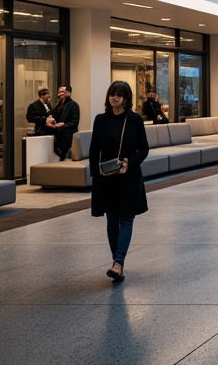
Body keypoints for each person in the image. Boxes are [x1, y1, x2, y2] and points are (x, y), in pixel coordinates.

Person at [89, 80, 149, 283]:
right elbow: (94, 150)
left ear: (126, 98)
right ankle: (118, 263)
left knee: (126, 219)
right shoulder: (100, 120)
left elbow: (144, 148)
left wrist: (128, 163)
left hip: (128, 176)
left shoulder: (134, 120)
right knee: (112, 220)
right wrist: (96, 176)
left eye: (118, 95)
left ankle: (118, 262)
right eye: (111, 94)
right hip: (107, 178)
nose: (114, 98)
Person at [49, 85, 80, 161]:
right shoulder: (58, 104)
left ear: (68, 93)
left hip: (67, 135)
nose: (60, 93)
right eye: (59, 92)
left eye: (62, 91)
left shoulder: (73, 105)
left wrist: (63, 125)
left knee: (65, 158)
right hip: (57, 134)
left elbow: (74, 121)